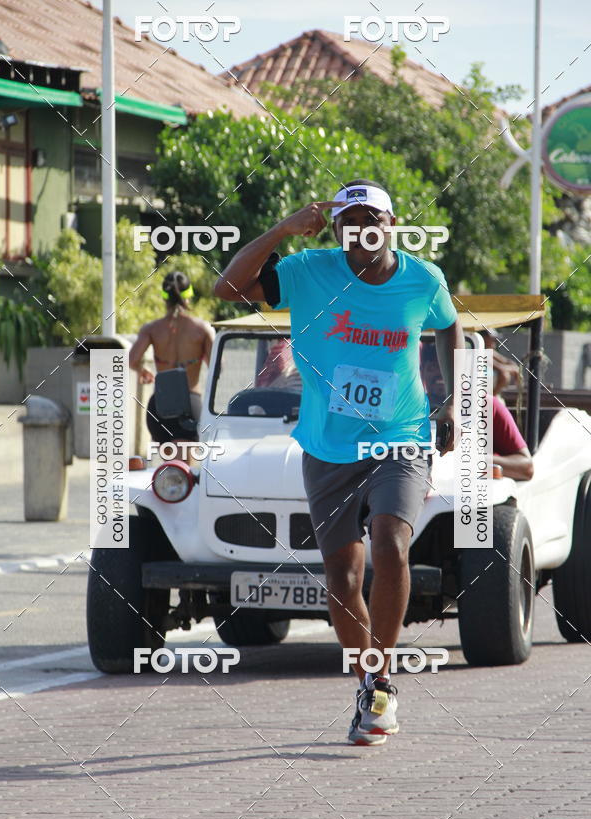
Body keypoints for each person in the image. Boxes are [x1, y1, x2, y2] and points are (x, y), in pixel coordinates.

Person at [215, 179, 465, 746]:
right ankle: (367, 680)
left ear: (391, 224)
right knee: (343, 577)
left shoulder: (423, 279)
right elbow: (227, 286)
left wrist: (448, 398)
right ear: (336, 230)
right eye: (349, 222)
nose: (360, 232)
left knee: (390, 543)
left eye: (371, 219)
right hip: (327, 445)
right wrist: (281, 231)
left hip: (398, 438)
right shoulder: (307, 271)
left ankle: (381, 682)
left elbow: (449, 324)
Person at [420, 341, 533, 480]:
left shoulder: (486, 405)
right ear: (422, 371)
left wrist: (473, 461)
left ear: (462, 371)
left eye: (446, 367)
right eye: (432, 367)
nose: (439, 373)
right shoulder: (410, 409)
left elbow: (526, 467)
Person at [129, 271, 215, 446]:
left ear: (164, 297)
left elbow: (132, 360)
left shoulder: (151, 329)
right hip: (190, 403)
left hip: (161, 404)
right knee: (185, 470)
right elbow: (218, 365)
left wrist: (142, 370)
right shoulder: (202, 329)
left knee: (168, 470)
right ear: (188, 295)